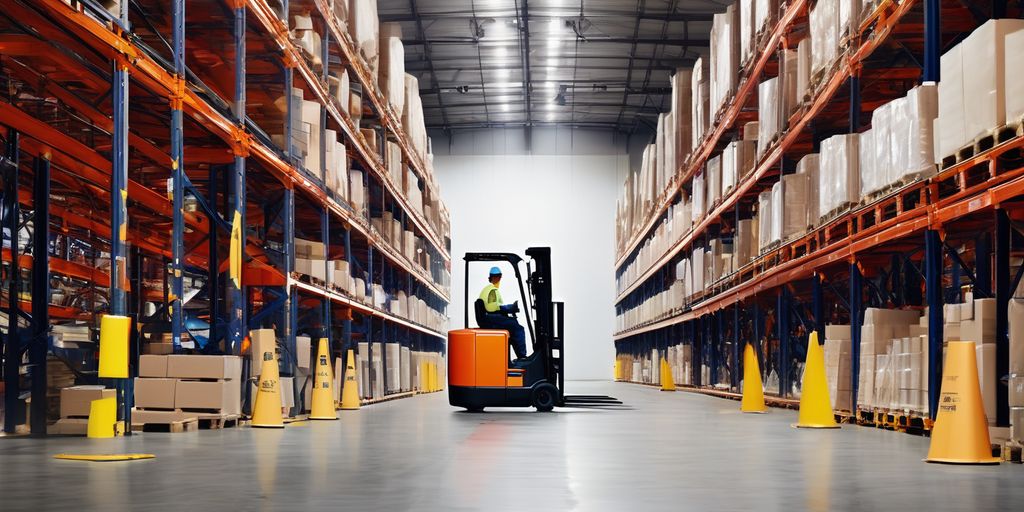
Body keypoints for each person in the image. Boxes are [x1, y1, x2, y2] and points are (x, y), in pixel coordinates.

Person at [478, 266, 528, 360]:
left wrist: (508, 308)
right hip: (490, 318)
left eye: (499, 276)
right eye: (497, 276)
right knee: (517, 328)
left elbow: (494, 306)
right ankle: (522, 356)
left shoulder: (488, 289)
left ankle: (519, 356)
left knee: (512, 323)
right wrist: (509, 308)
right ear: (493, 277)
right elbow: (492, 307)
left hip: (489, 317)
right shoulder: (492, 290)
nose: (498, 279)